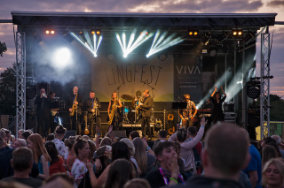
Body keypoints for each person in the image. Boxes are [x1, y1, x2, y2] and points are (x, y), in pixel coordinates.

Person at [172, 122, 250, 188]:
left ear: (204, 157)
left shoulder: (182, 145)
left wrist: (173, 178)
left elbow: (171, 139)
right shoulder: (245, 182)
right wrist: (202, 126)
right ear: (246, 161)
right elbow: (198, 138)